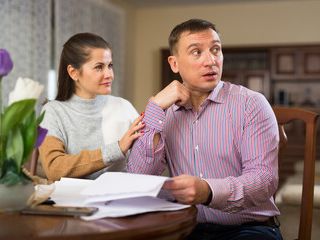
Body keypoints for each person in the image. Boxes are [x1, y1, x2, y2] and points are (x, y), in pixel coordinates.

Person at [127, 19, 283, 240]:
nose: (210, 61)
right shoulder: (165, 113)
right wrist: (154, 108)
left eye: (215, 50)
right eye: (196, 52)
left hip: (250, 229)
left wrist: (209, 191)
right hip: (187, 228)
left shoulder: (251, 104)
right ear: (174, 64)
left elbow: (263, 180)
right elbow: (137, 178)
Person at [39, 33, 144, 181]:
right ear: (73, 72)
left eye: (110, 65)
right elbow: (54, 168)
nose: (109, 74)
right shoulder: (53, 112)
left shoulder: (123, 107)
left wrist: (157, 108)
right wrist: (118, 148)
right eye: (99, 67)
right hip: (73, 202)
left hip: (119, 199)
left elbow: (147, 161)